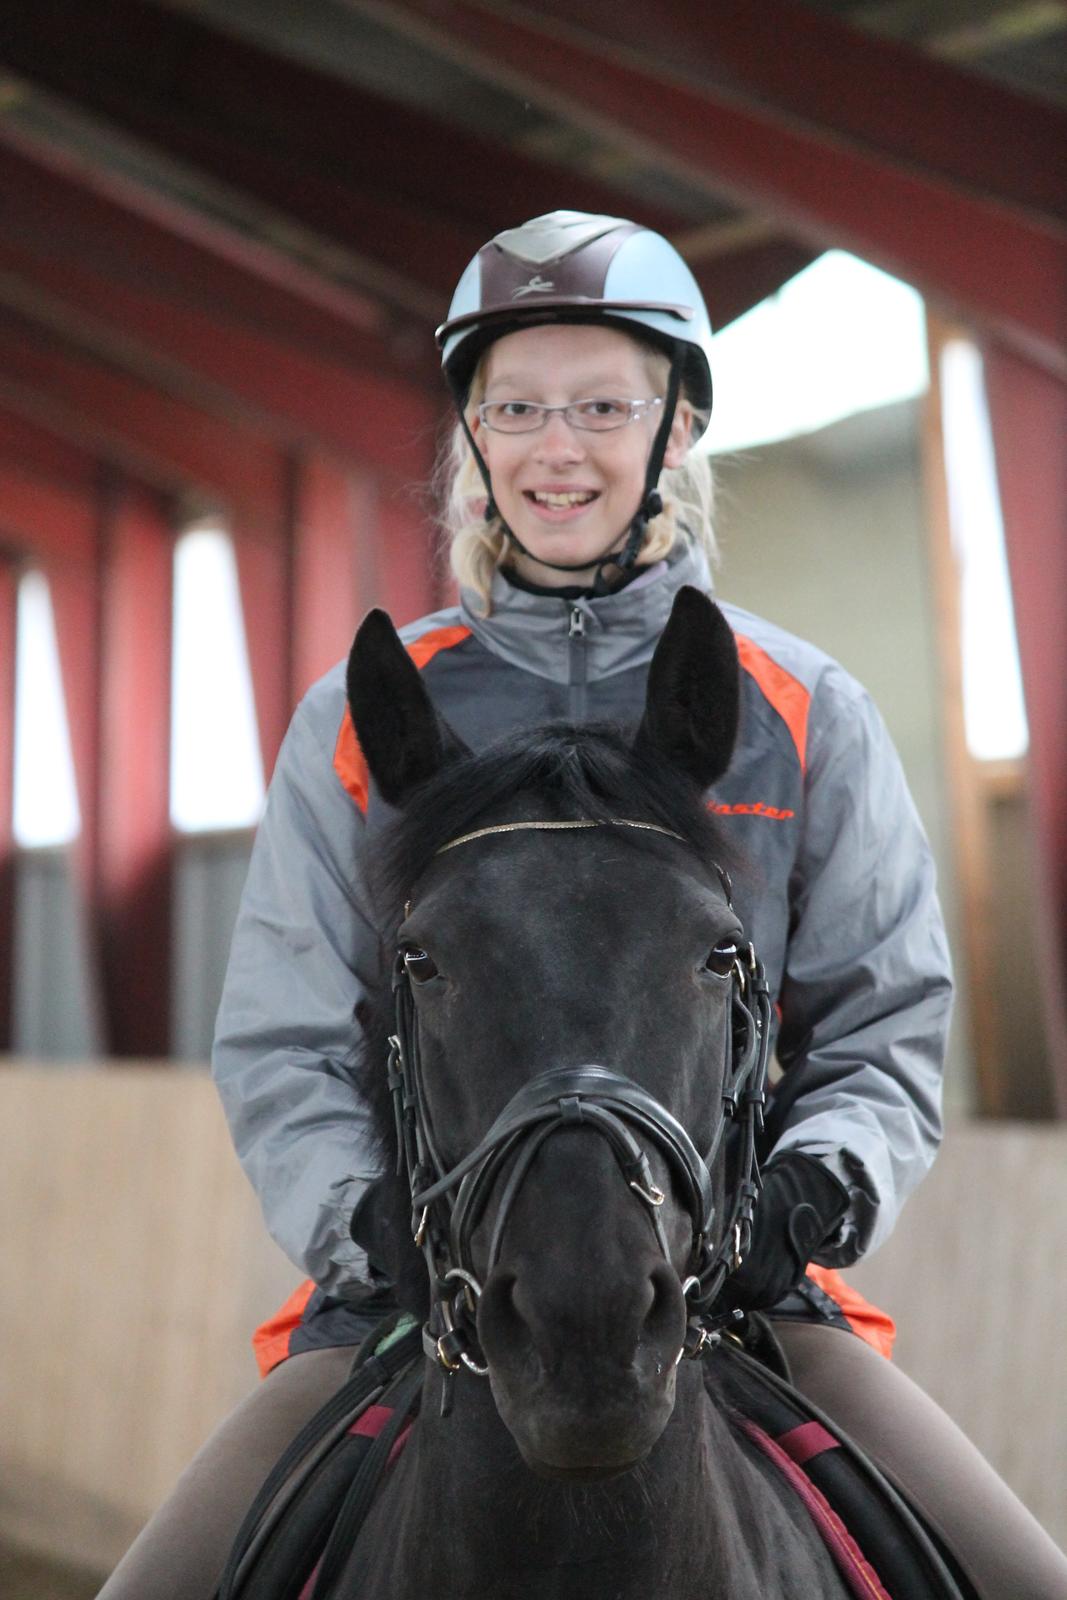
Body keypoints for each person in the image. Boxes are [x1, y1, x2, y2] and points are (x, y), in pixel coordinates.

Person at [98, 211, 1067, 1600]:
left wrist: (814, 1190)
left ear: (675, 428)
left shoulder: (801, 715)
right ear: (475, 438)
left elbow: (886, 1012)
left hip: (741, 1288)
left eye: (604, 406)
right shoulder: (363, 721)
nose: (560, 449)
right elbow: (286, 1036)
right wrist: (365, 1223)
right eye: (520, 410)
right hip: (418, 1292)